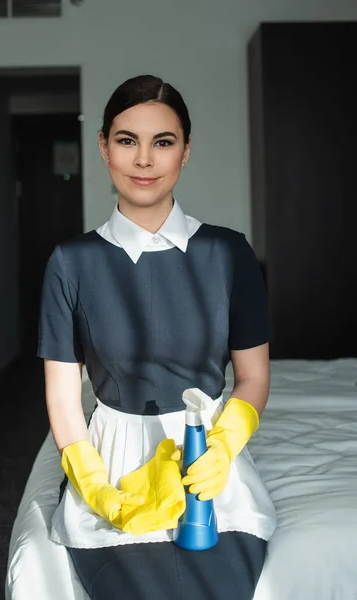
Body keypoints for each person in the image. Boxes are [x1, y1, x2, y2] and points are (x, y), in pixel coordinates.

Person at [37, 74, 276, 600]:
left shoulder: (229, 254)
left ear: (185, 152)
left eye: (162, 142)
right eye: (127, 140)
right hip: (113, 462)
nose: (144, 160)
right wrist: (93, 485)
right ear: (104, 148)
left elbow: (253, 375)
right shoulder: (70, 263)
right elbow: (61, 391)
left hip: (210, 460)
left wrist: (225, 446)